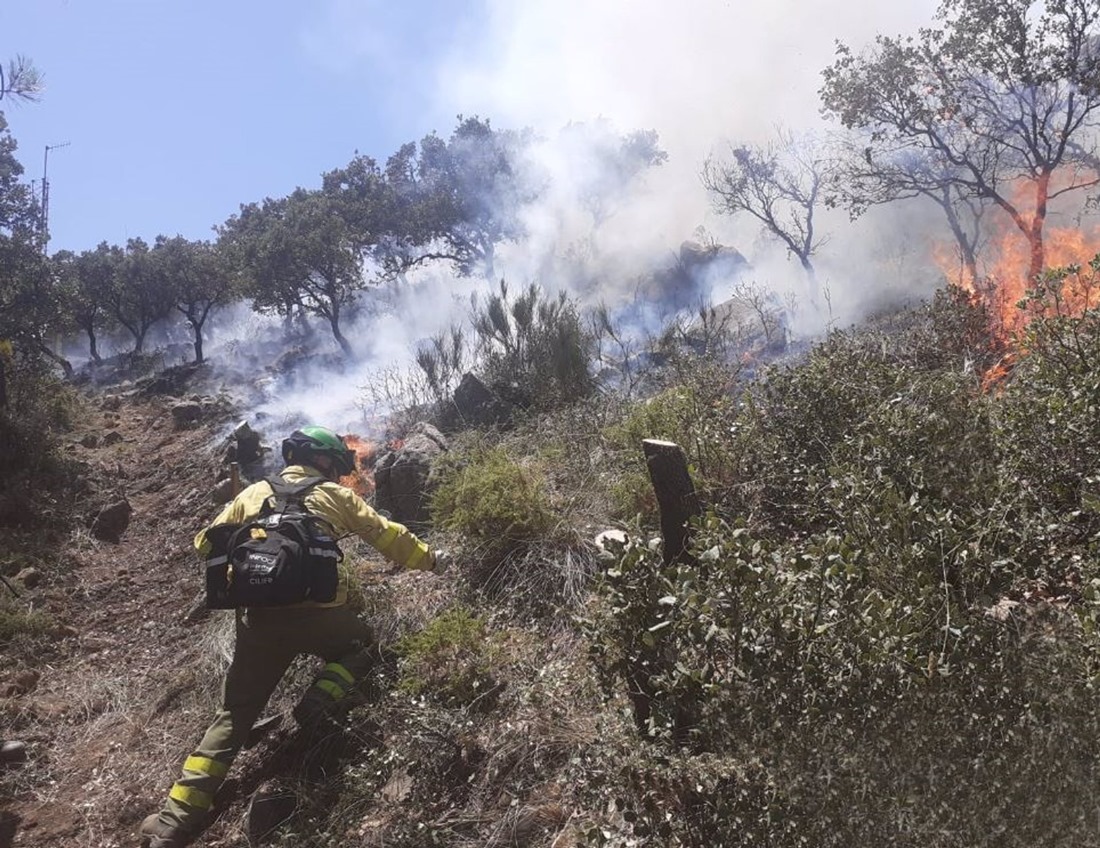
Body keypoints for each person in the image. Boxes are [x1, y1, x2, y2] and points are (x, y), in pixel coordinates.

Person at [140, 426, 439, 848]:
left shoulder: (253, 493)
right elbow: (387, 535)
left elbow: (205, 544)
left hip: (258, 625)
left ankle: (175, 820)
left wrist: (254, 542)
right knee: (361, 646)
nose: (339, 474)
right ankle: (319, 699)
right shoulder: (334, 496)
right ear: (323, 460)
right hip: (322, 616)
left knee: (234, 715)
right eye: (337, 466)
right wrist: (432, 561)